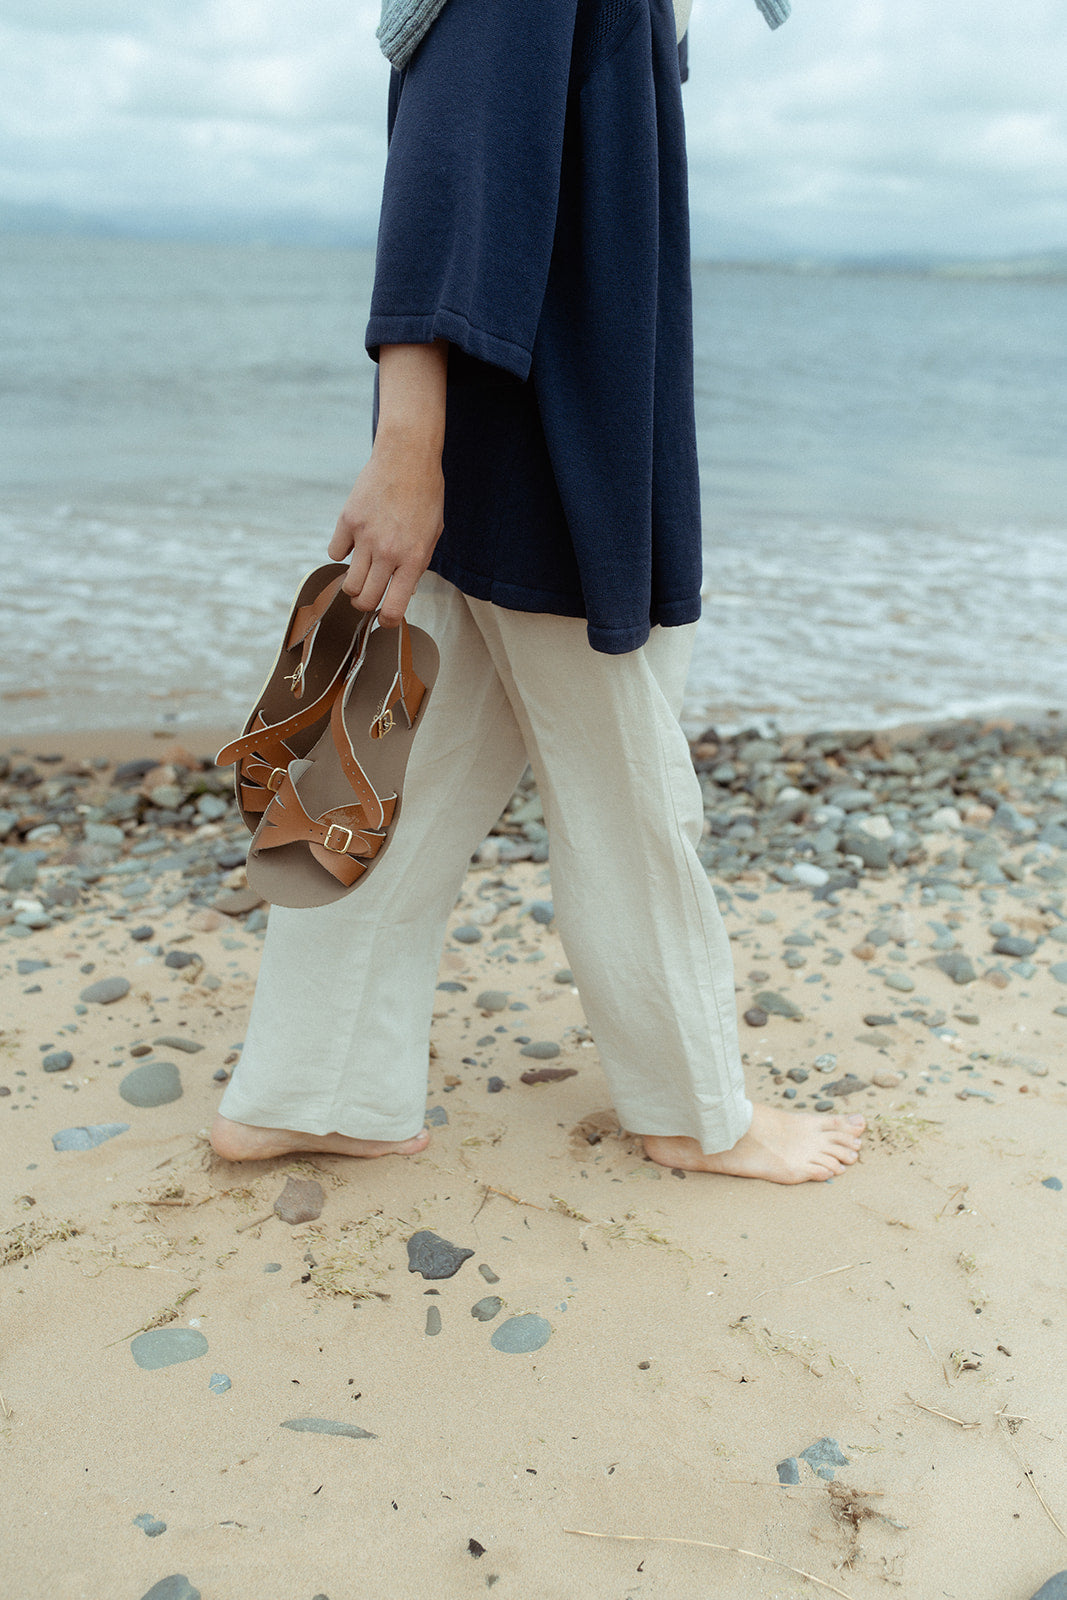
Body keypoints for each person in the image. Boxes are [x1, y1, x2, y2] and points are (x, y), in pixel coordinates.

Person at [211, 0, 865, 1184]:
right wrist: (406, 446)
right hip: (549, 427)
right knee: (629, 784)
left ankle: (304, 1085)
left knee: (393, 766)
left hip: (520, 417)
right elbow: (454, 156)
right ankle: (692, 1108)